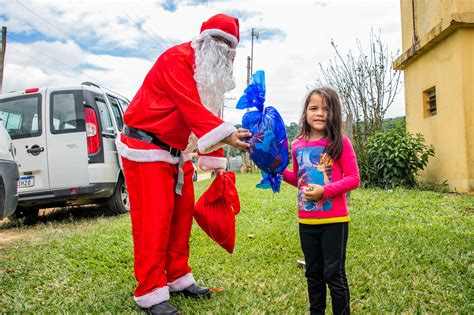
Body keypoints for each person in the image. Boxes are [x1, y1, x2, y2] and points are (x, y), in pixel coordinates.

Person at [115, 13, 251, 314]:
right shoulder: (175, 60)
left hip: (177, 153)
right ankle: (150, 291)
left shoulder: (209, 77)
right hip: (145, 147)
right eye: (218, 42)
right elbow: (192, 109)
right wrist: (228, 134)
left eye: (229, 47)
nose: (223, 51)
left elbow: (210, 110)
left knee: (181, 215)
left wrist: (215, 158)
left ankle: (177, 276)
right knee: (154, 219)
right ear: (203, 41)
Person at [282, 87, 360, 314]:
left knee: (333, 274)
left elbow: (354, 179)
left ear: (334, 113)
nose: (320, 113)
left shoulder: (341, 142)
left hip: (335, 221)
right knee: (313, 274)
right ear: (305, 112)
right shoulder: (297, 144)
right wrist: (276, 171)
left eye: (326, 109)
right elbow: (298, 178)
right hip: (306, 222)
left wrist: (324, 192)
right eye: (314, 108)